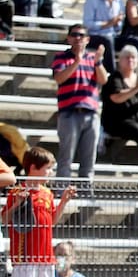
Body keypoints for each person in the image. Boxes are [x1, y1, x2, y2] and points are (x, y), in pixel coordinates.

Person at [1, 146, 76, 277]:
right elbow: (5, 219)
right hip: (25, 252)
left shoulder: (47, 193)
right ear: (33, 168)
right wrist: (17, 204)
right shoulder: (17, 191)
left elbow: (52, 221)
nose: (50, 172)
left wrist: (63, 202)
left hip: (45, 254)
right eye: (47, 168)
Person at [51, 23, 108, 182]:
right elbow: (59, 78)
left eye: (81, 35)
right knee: (65, 159)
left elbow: (103, 80)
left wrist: (98, 62)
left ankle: (86, 194)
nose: (78, 38)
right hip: (69, 113)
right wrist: (77, 61)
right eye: (74, 35)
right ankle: (61, 192)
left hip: (91, 113)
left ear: (87, 39)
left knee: (88, 162)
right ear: (68, 38)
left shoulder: (93, 59)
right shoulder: (61, 57)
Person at [83, 0, 125, 74]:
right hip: (95, 36)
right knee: (107, 40)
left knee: (136, 41)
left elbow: (118, 27)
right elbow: (87, 24)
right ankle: (112, 73)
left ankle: (130, 72)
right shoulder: (92, 0)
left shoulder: (119, 2)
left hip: (113, 35)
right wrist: (107, 24)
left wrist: (117, 23)